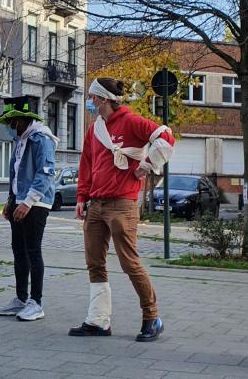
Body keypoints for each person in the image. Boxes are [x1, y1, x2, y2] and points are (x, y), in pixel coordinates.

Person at [70, 78, 175, 342]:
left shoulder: (131, 122)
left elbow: (166, 137)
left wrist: (147, 165)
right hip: (97, 203)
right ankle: (98, 320)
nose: (90, 102)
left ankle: (152, 317)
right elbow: (87, 163)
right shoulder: (95, 129)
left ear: (103, 99)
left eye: (93, 97)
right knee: (94, 262)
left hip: (122, 203)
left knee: (129, 262)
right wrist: (82, 196)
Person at [0, 97, 58, 322]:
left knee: (32, 251)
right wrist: (11, 201)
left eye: (12, 122)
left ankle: (36, 302)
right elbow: (16, 175)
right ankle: (20, 298)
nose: (10, 127)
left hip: (36, 203)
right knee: (18, 251)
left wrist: (28, 202)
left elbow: (46, 172)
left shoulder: (40, 139)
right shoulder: (21, 140)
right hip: (20, 201)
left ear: (22, 119)